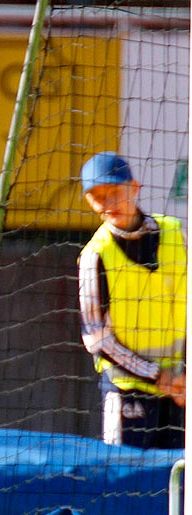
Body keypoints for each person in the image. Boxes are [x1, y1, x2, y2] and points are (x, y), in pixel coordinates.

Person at [78, 151, 186, 449]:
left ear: (135, 188)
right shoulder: (94, 256)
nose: (107, 203)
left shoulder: (176, 234)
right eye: (96, 196)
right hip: (128, 392)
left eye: (114, 192)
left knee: (179, 487)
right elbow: (97, 338)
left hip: (181, 389)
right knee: (125, 488)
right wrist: (157, 376)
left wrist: (182, 376)